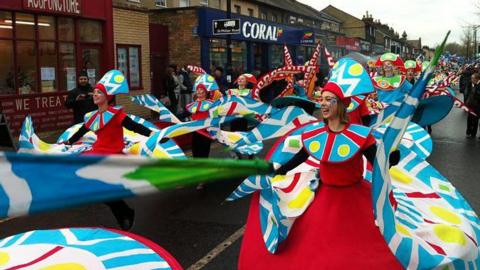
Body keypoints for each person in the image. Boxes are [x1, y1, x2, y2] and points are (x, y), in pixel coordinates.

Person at [236, 59, 401, 268]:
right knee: (317, 251)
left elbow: (378, 163)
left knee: (360, 252)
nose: (322, 103)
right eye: (321, 99)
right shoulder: (315, 134)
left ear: (341, 104)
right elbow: (301, 156)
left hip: (354, 199)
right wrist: (279, 169)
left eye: (329, 99)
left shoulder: (360, 135)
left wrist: (392, 158)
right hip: (326, 197)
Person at [65, 70, 155, 231]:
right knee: (97, 190)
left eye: (99, 92)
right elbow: (82, 131)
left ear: (108, 96)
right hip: (97, 153)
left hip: (112, 156)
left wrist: (153, 134)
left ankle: (125, 216)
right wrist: (70, 141)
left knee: (104, 191)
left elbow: (134, 127)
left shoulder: (116, 114)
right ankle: (126, 213)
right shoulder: (92, 117)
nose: (95, 94)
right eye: (95, 92)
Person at [466, 73, 480, 138]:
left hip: (477, 106)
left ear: (477, 79)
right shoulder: (471, 84)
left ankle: (473, 134)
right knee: (469, 119)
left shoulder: (478, 85)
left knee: (475, 120)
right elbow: (468, 93)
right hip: (471, 104)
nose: (471, 79)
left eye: (472, 78)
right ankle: (469, 132)